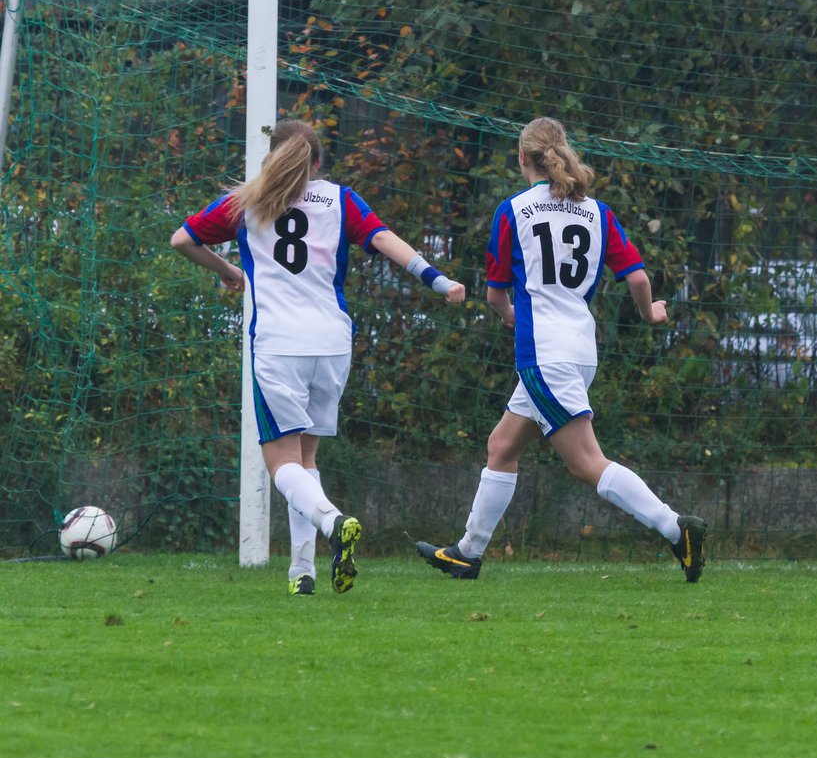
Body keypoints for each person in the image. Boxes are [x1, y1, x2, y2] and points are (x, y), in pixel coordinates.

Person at [171, 119, 466, 595]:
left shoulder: (246, 201)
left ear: (271, 157)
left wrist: (226, 269)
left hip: (278, 343)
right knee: (306, 456)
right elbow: (386, 239)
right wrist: (438, 280)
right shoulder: (340, 198)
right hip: (331, 342)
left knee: (280, 463)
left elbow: (182, 240)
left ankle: (333, 523)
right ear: (319, 162)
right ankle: (301, 572)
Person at [415, 117, 707, 582]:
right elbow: (637, 277)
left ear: (522, 158)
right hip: (579, 350)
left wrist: (512, 318)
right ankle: (468, 551)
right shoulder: (597, 212)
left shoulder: (513, 211)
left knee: (587, 462)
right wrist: (651, 312)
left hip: (544, 354)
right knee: (501, 447)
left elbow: (495, 296)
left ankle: (676, 529)